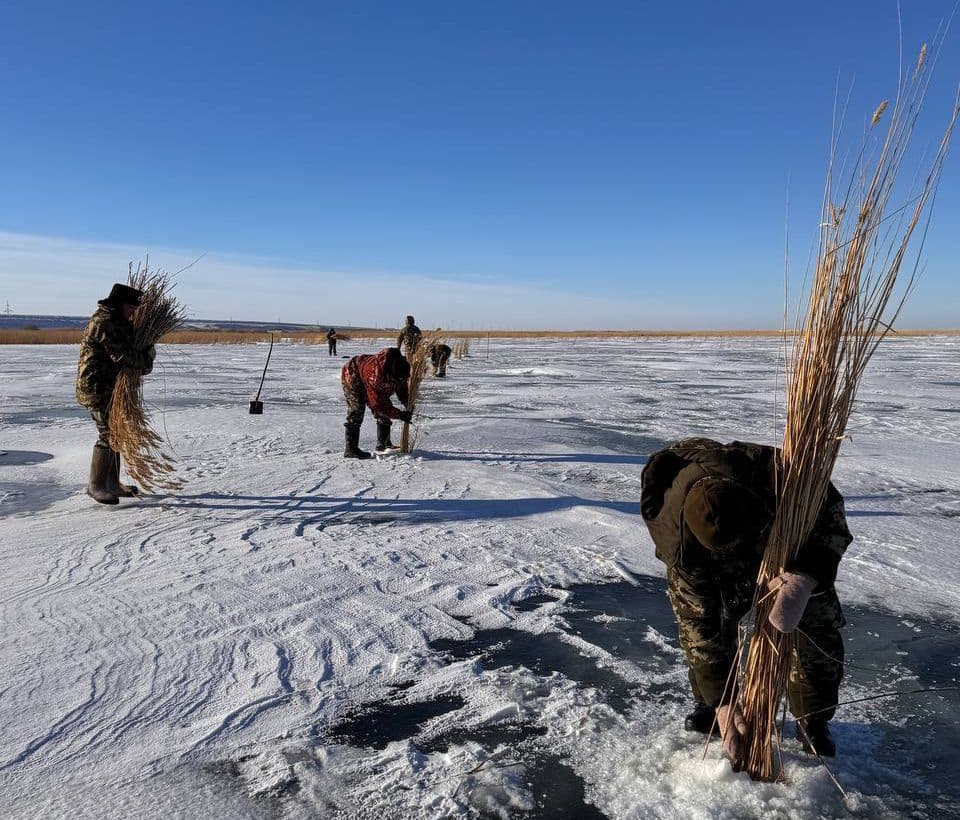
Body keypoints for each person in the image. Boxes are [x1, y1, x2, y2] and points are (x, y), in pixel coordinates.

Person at [640, 437, 852, 762]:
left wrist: (806, 576)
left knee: (816, 620)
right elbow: (699, 628)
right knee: (708, 628)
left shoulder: (778, 479)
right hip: (708, 557)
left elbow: (831, 517)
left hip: (782, 547)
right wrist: (723, 703)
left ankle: (813, 717)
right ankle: (712, 705)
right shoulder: (680, 545)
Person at [76, 283, 156, 504]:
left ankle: (112, 483)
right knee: (108, 434)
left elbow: (129, 352)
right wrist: (146, 359)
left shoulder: (119, 322)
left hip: (110, 387)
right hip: (96, 388)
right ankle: (96, 485)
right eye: (131, 308)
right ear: (120, 305)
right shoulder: (104, 322)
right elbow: (122, 356)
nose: (133, 313)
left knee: (116, 433)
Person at [340, 347, 413, 458]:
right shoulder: (376, 376)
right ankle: (351, 449)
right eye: (398, 380)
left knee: (386, 407)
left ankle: (383, 444)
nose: (400, 381)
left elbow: (401, 389)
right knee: (357, 410)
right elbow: (378, 405)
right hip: (352, 374)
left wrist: (407, 403)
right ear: (391, 375)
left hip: (367, 372)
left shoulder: (400, 368)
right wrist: (400, 415)